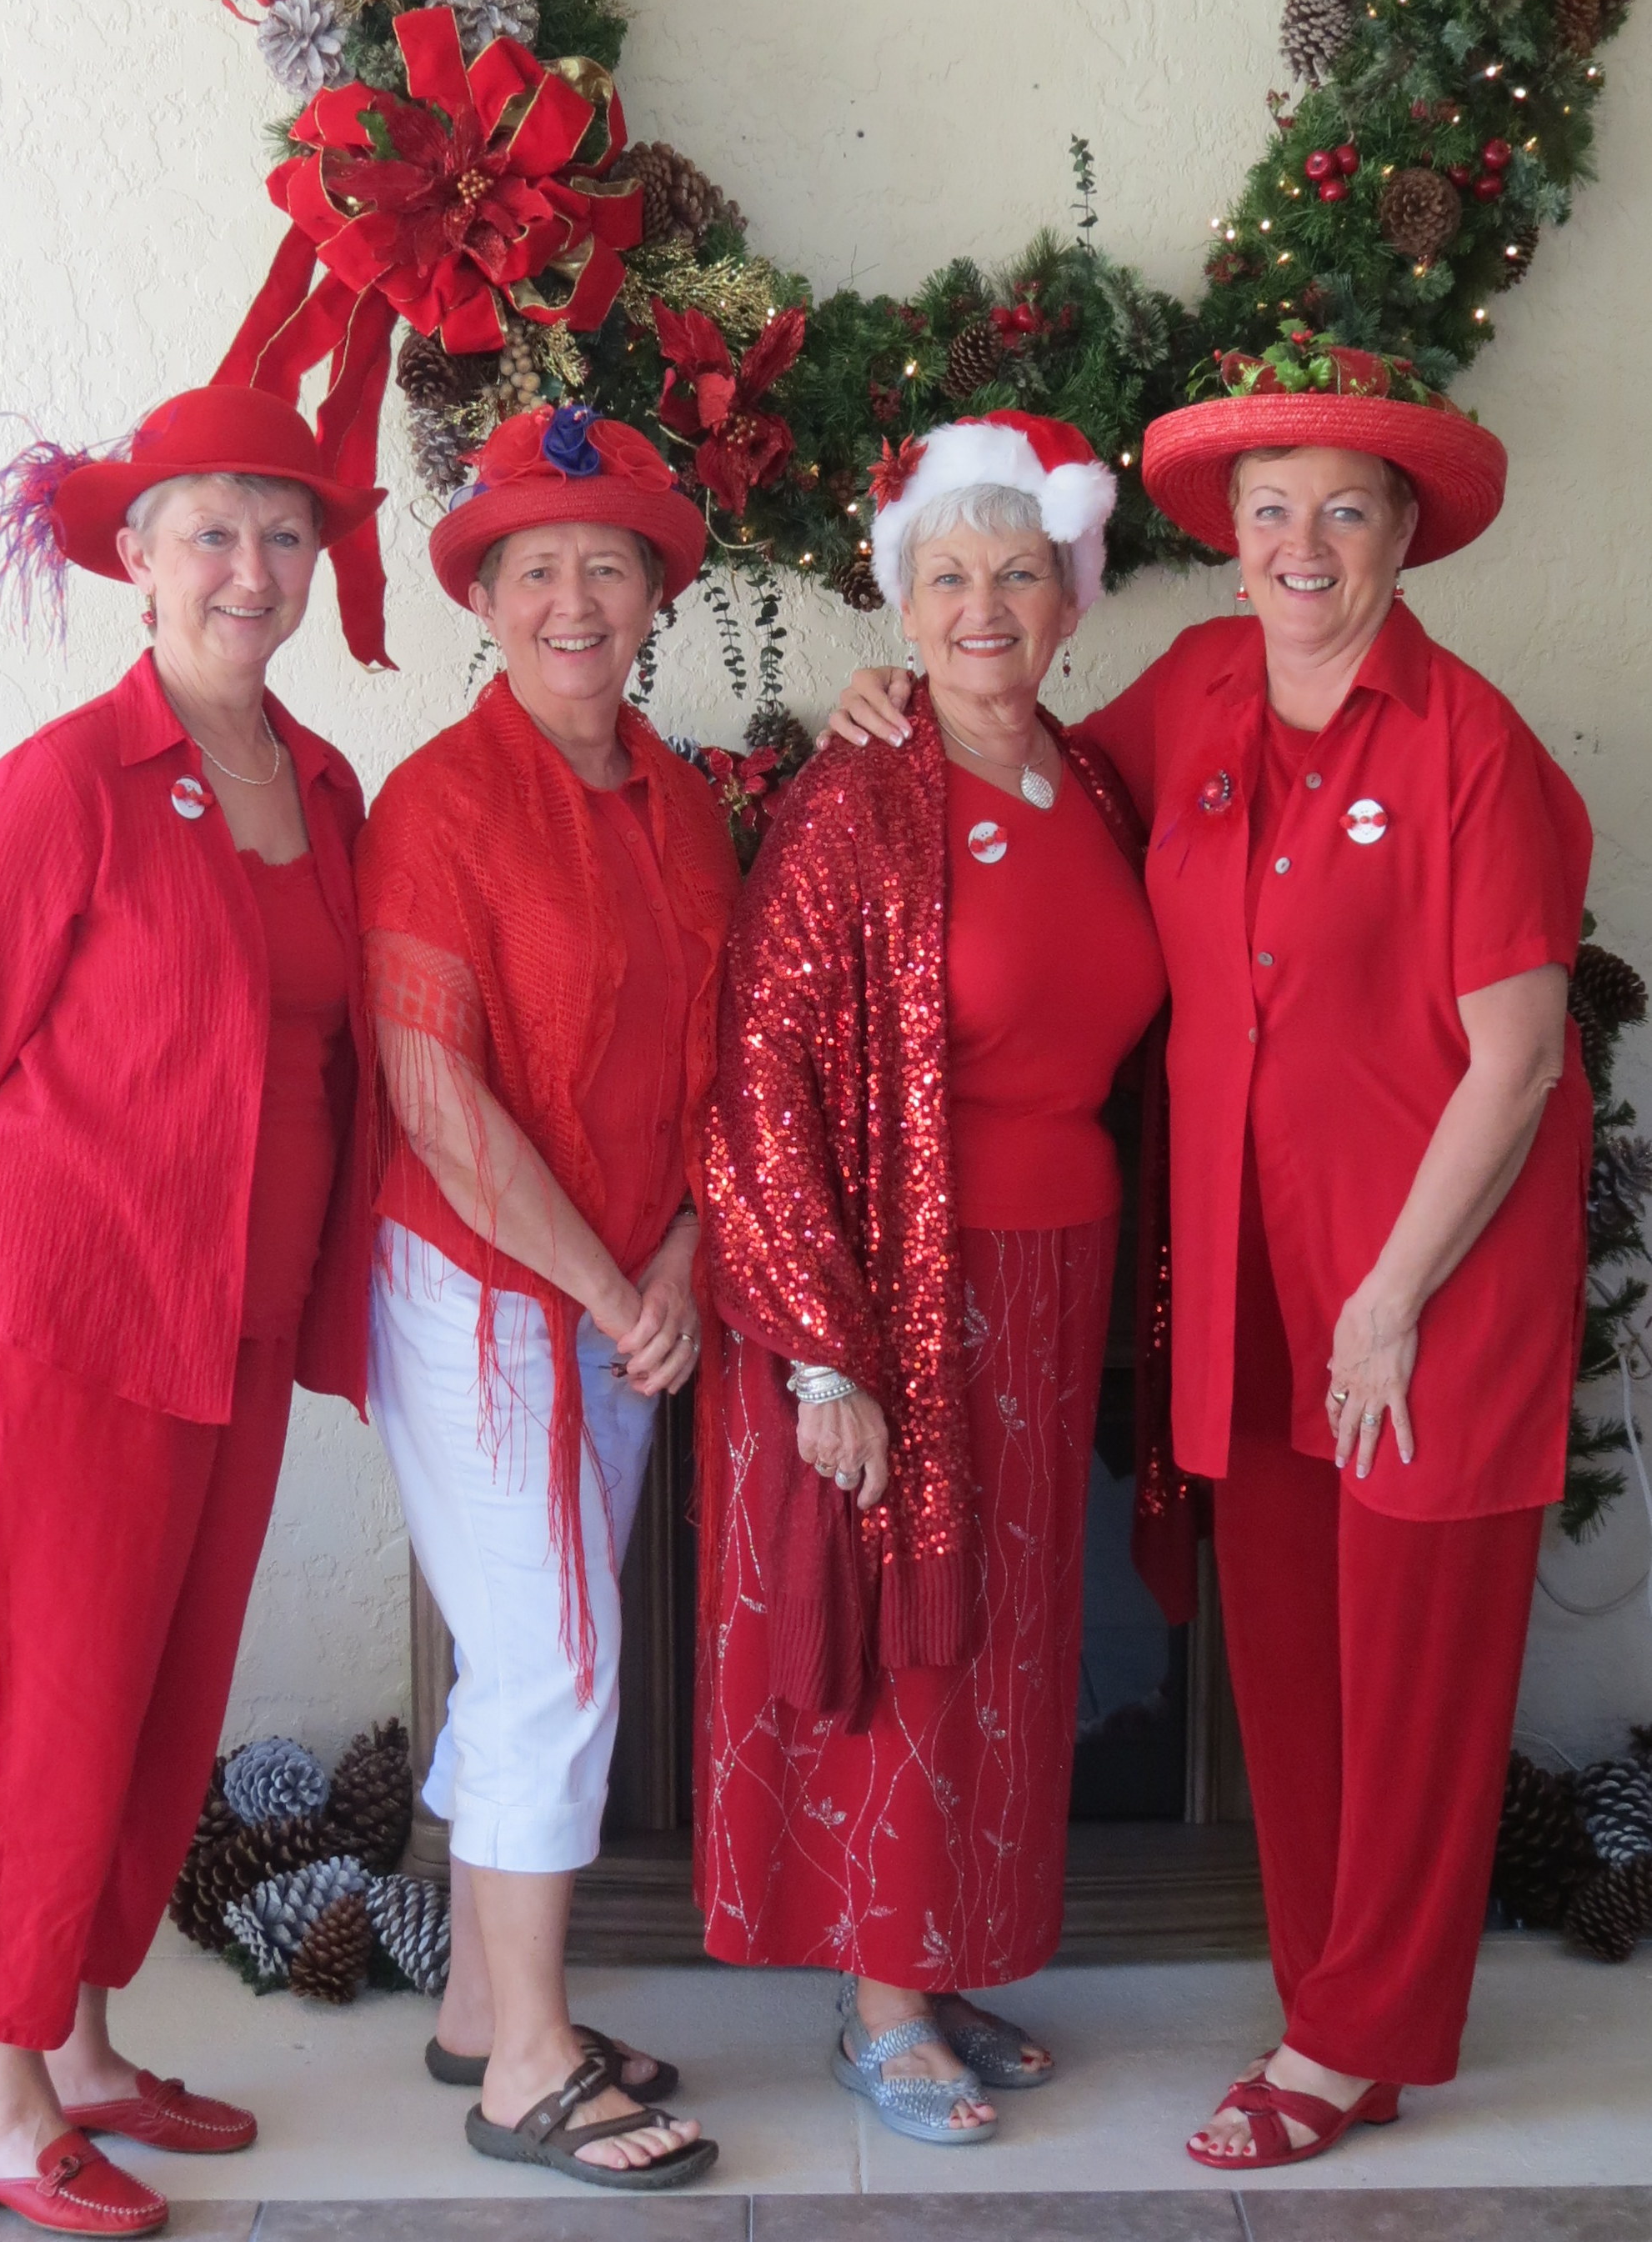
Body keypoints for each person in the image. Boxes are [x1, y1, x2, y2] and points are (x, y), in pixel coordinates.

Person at [825, 343, 1594, 2170]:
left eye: (1342, 509)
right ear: (1229, 537)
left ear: (1401, 532)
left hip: (1426, 1288)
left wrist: (1390, 1303)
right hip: (1248, 1287)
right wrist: (894, 696)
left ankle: (1345, 2044)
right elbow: (1019, 778)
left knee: (1410, 1682)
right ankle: (1333, 2009)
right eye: (1268, 510)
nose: (1299, 543)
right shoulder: (1195, 690)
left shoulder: (1469, 747)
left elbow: (1515, 1060)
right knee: (1298, 1677)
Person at [0, 385, 384, 2236]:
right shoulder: (66, 783)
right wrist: (21, 1283)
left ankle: (85, 2047)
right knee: (48, 1700)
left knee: (164, 1696)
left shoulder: (321, 784)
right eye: (212, 533)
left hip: (236, 1319)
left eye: (284, 533)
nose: (252, 568)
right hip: (76, 1321)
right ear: (138, 558)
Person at [698, 412, 1168, 2146]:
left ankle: (946, 1949)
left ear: (1069, 601)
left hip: (1057, 1272)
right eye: (948, 575)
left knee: (1007, 1637)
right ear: (901, 605)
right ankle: (880, 1997)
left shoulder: (1090, 782)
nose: (983, 608)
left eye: (1017, 575)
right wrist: (823, 1351)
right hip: (904, 1278)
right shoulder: (855, 799)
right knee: (910, 1619)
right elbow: (758, 1072)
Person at [356, 401, 735, 2194]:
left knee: (541, 1644)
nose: (571, 600)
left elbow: (723, 1067)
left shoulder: (686, 802)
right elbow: (432, 1095)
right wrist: (603, 1278)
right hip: (484, 1283)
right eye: (534, 570)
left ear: (653, 594)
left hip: (623, 1285)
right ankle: (525, 2067)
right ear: (485, 599)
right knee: (556, 1659)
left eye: (605, 567)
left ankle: (472, 2007)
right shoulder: (439, 803)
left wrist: (679, 1257)